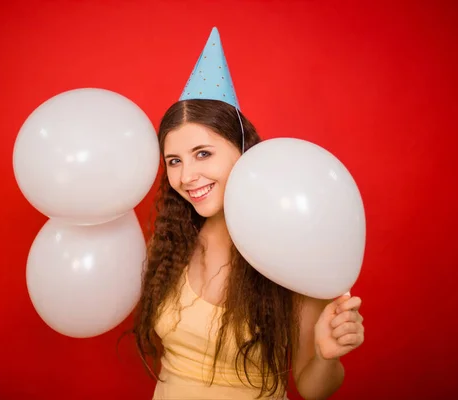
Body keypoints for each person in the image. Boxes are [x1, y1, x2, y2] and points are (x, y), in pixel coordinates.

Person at [132, 27, 365, 400]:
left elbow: (312, 388)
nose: (187, 176)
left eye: (203, 153)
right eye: (174, 161)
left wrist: (326, 355)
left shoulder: (291, 245)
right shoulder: (173, 242)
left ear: (244, 151)